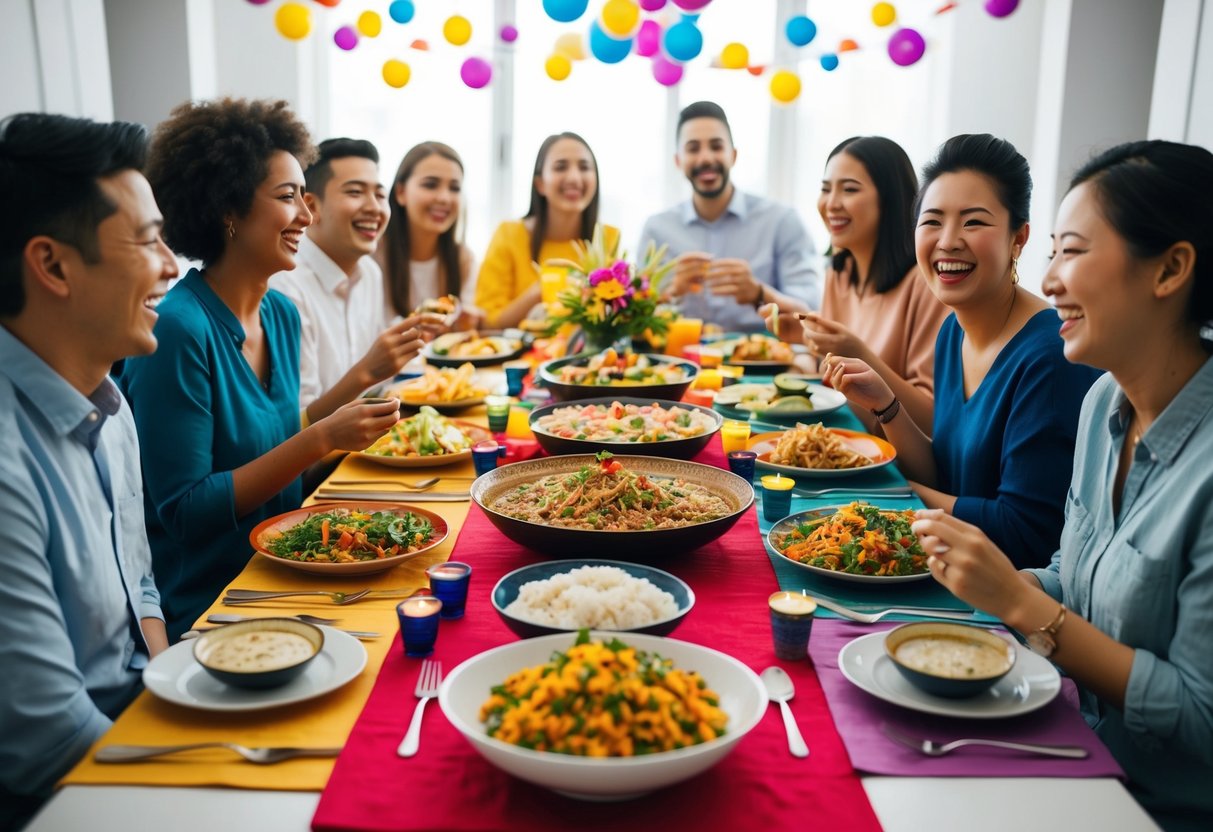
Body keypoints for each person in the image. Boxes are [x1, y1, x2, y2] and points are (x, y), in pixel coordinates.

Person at [913, 140, 1213, 832]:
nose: (1047, 281)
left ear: (1169, 269)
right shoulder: (1101, 404)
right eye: (1051, 252)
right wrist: (980, 591)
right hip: (1067, 743)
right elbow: (1069, 580)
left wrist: (1018, 602)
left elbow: (1198, 719)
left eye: (1071, 252)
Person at [119, 99, 401, 640]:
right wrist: (321, 437)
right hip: (214, 604)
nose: (307, 215)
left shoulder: (281, 314)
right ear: (229, 208)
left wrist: (347, 429)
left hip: (290, 572)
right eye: (288, 197)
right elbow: (185, 510)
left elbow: (276, 458)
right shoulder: (178, 330)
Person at [0, 113, 174, 826]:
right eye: (148, 240)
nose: (171, 265)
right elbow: (44, 738)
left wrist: (176, 695)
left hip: (138, 723)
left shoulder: (109, 403)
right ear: (53, 265)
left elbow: (141, 589)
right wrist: (192, 787)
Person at [821, 134, 1101, 567]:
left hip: (1003, 598)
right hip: (944, 565)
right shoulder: (953, 330)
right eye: (932, 221)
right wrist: (887, 406)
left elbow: (1024, 531)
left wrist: (884, 488)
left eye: (973, 222)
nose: (948, 241)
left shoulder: (1049, 356)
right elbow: (946, 477)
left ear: (1018, 239)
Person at [796, 136, 949, 433]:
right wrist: (805, 341)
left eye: (849, 189)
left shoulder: (925, 284)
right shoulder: (840, 272)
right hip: (834, 438)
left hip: (890, 462)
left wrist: (861, 355)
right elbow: (826, 378)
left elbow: (932, 420)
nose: (831, 203)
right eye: (826, 189)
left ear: (890, 199)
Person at [269, 138, 429, 423]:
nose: (374, 208)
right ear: (311, 206)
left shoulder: (369, 272)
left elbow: (379, 385)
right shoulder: (285, 287)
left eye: (380, 195)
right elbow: (297, 422)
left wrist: (410, 342)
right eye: (355, 192)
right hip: (321, 464)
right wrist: (367, 371)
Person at [638, 101, 819, 332]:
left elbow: (811, 311)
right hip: (681, 363)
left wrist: (759, 293)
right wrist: (671, 291)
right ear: (678, 161)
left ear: (733, 155)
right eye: (693, 149)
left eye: (716, 146)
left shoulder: (781, 221)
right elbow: (635, 321)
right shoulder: (657, 230)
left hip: (763, 363)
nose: (705, 158)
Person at [475, 132, 618, 328]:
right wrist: (540, 291)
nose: (574, 177)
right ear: (540, 184)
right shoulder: (509, 234)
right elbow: (487, 323)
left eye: (584, 167)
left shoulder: (608, 238)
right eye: (561, 167)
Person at [377, 141, 481, 330]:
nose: (444, 198)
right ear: (401, 192)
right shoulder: (373, 257)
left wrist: (468, 322)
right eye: (431, 185)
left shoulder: (463, 259)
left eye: (454, 188)